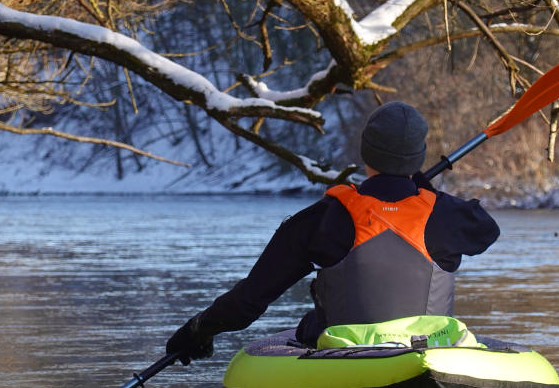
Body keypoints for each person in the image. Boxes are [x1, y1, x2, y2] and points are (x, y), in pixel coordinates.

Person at [165, 102, 501, 364]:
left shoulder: (325, 217)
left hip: (344, 354)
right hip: (431, 348)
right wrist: (425, 191)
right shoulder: (448, 214)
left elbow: (250, 299)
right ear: (418, 156)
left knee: (307, 327)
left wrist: (200, 328)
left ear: (366, 152)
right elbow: (486, 231)